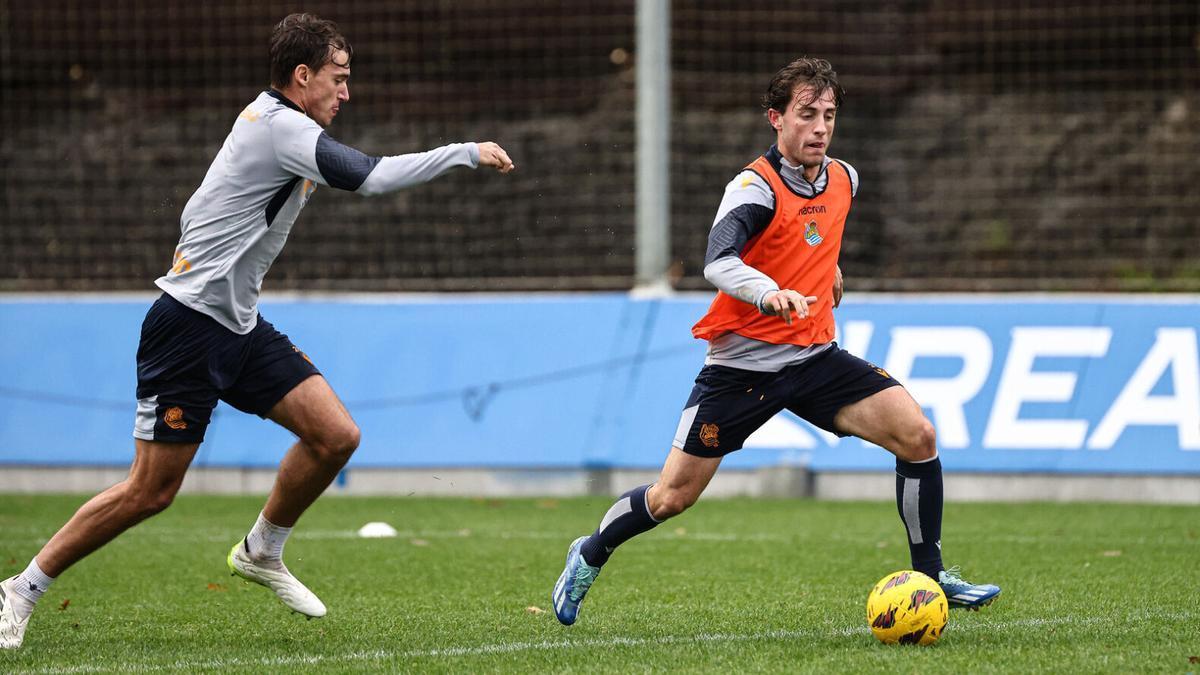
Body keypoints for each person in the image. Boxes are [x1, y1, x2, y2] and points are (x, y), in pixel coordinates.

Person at [0, 12, 515, 650]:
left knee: (334, 435)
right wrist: (463, 152)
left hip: (238, 328)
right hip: (187, 329)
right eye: (338, 78)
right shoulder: (281, 127)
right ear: (303, 76)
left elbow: (199, 209)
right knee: (149, 492)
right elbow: (373, 178)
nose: (346, 93)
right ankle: (20, 589)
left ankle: (260, 551)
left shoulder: (271, 123)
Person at [551, 57, 999, 626]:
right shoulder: (752, 188)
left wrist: (827, 270)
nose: (819, 127)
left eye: (828, 115)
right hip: (742, 371)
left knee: (918, 434)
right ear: (776, 119)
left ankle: (931, 579)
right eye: (806, 114)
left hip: (815, 360)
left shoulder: (845, 178)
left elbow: (817, 234)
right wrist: (768, 293)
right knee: (671, 497)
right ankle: (589, 553)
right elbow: (719, 262)